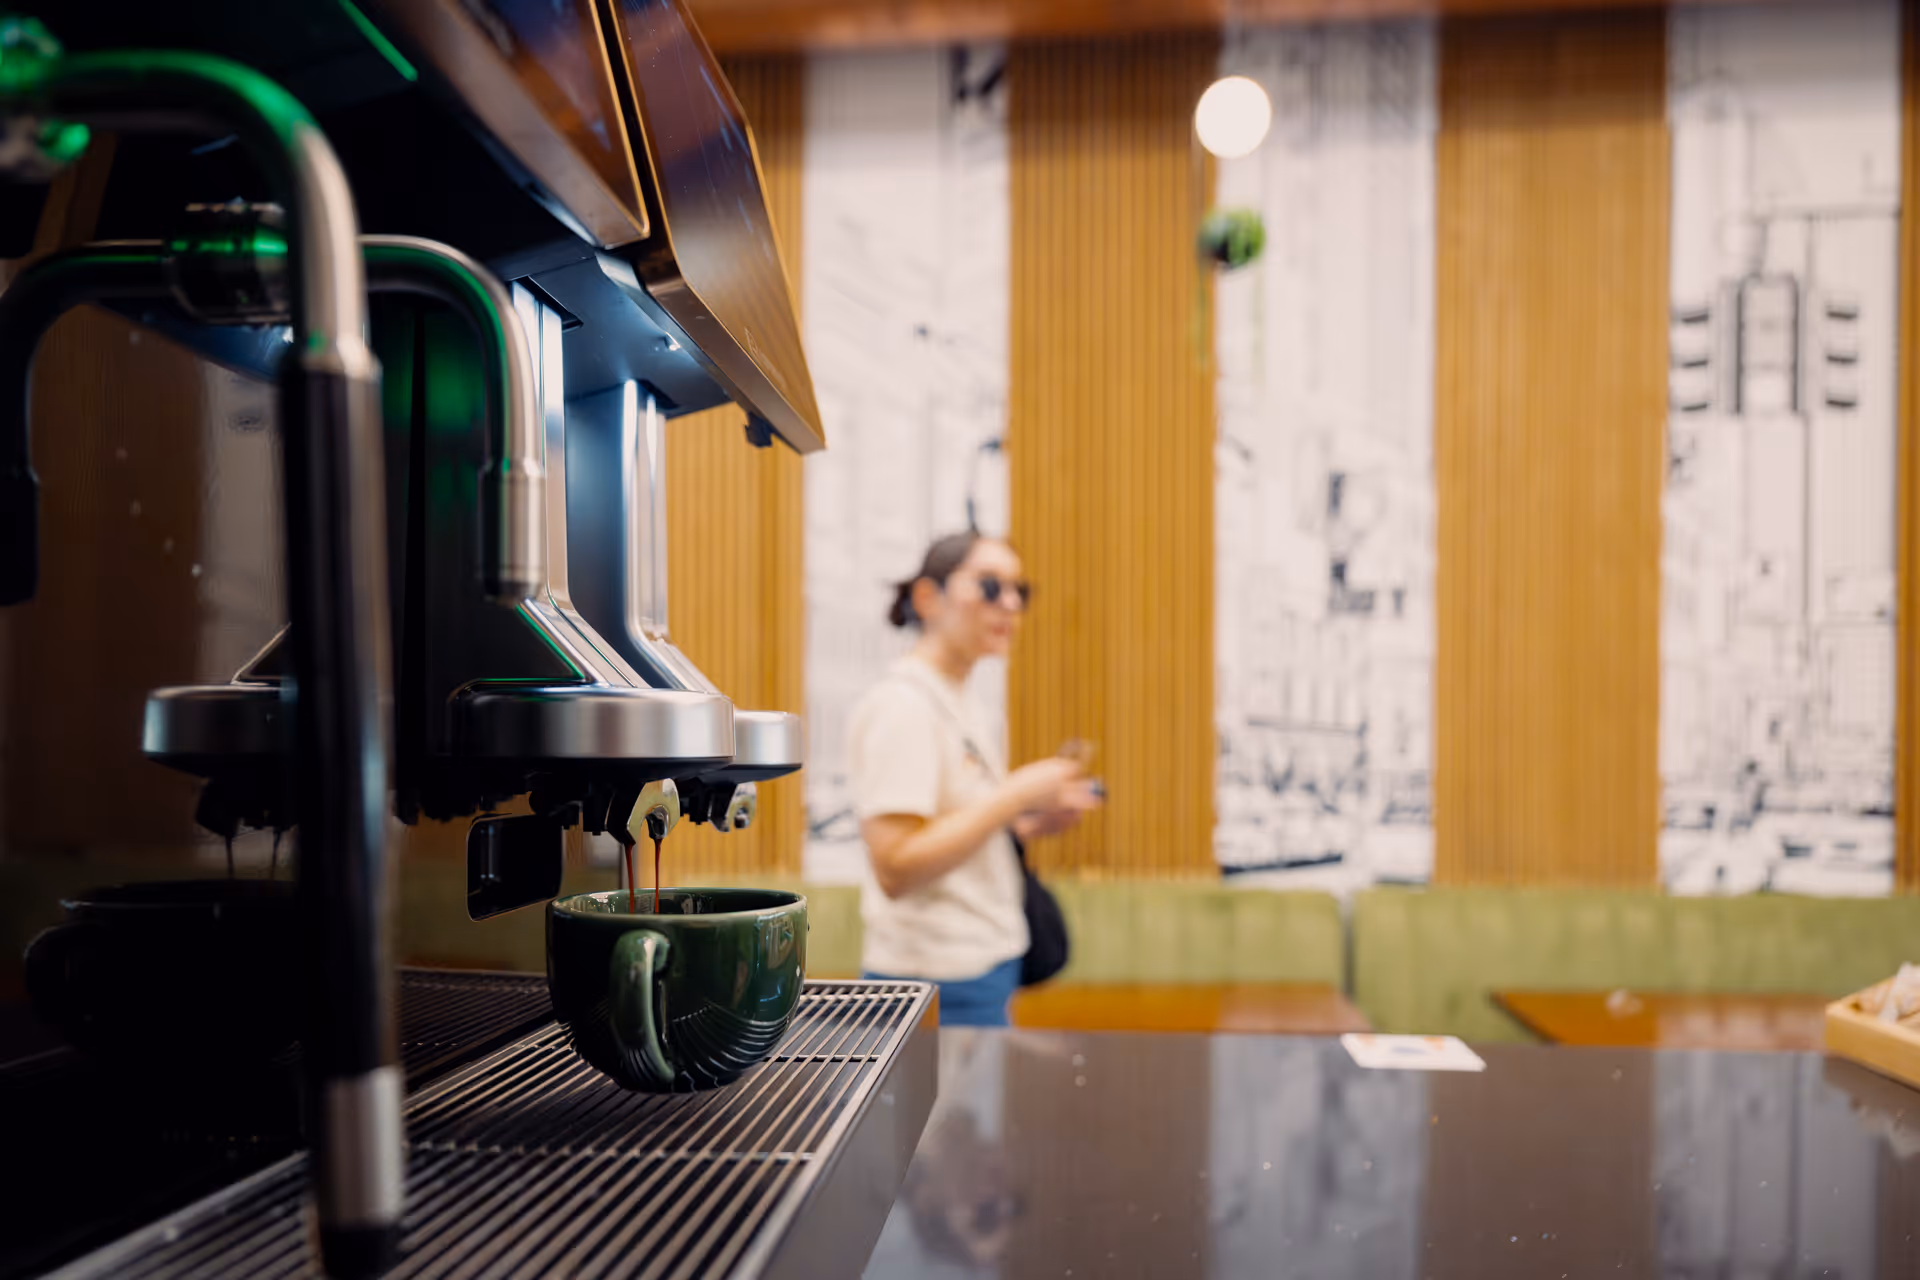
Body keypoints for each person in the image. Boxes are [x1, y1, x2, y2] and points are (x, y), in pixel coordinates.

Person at [848, 531, 1102, 1026]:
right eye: (989, 587)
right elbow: (896, 867)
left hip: (981, 963)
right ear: (928, 598)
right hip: (934, 977)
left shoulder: (964, 701)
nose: (1009, 604)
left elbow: (954, 830)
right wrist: (1013, 797)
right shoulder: (902, 706)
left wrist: (1026, 821)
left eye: (1019, 591)